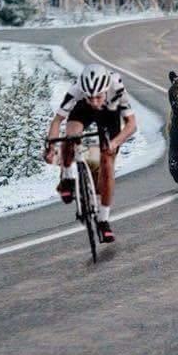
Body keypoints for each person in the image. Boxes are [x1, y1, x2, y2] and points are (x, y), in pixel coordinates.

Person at [44, 63, 137, 243]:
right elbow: (57, 121)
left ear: (106, 90)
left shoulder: (116, 87)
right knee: (70, 135)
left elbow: (131, 124)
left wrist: (115, 142)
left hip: (110, 112)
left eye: (98, 97)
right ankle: (68, 177)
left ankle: (103, 221)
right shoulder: (77, 90)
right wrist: (51, 147)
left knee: (107, 165)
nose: (94, 101)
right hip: (82, 111)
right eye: (90, 97)